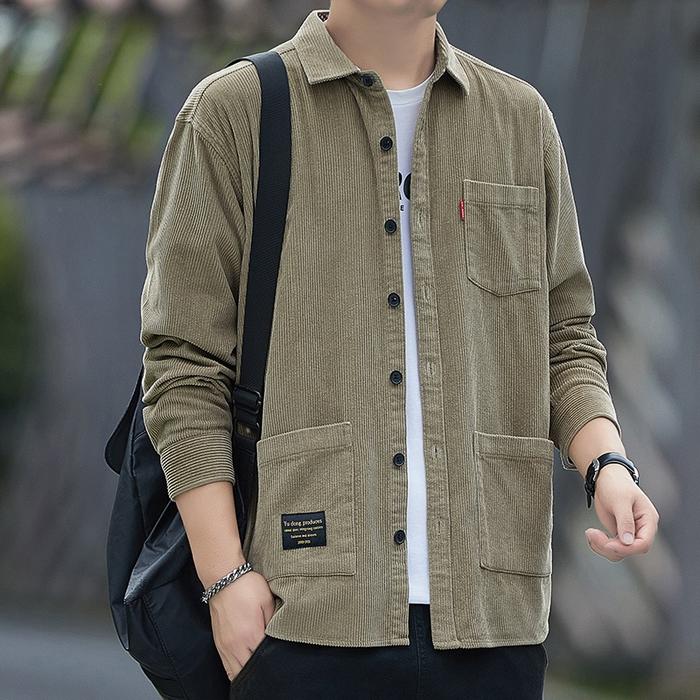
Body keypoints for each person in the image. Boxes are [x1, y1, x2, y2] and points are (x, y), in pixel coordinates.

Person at [139, 3, 660, 698]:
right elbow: (184, 365)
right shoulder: (234, 113)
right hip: (303, 613)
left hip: (493, 621)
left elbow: (563, 335)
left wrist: (608, 466)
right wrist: (224, 580)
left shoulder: (520, 121)